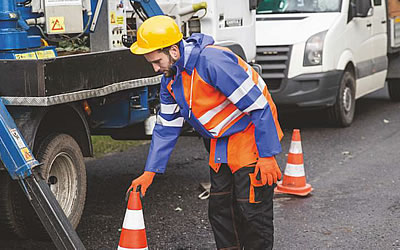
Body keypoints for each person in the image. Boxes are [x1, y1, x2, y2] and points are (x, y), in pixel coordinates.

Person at [129, 15, 284, 250]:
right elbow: (166, 127)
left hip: (250, 136)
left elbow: (258, 106)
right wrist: (150, 172)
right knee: (221, 212)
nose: (155, 68)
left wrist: (267, 156)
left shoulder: (213, 61)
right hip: (219, 142)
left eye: (157, 61)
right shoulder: (171, 79)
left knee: (251, 211)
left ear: (173, 51)